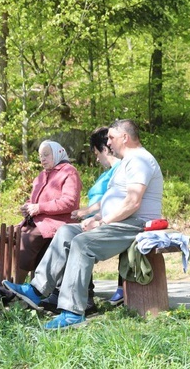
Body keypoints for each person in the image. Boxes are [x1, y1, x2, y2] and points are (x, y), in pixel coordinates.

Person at [4, 119, 163, 329]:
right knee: (66, 232)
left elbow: (133, 202)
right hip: (118, 221)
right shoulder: (127, 162)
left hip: (134, 223)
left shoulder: (140, 160)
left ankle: (72, 312)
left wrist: (102, 221)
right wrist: (96, 217)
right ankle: (36, 290)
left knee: (82, 244)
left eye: (112, 138)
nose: (109, 142)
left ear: (125, 137)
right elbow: (115, 198)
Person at [16, 140, 82, 283]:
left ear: (58, 153)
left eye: (46, 155)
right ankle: (2, 282)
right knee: (11, 237)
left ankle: (14, 287)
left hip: (56, 222)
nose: (42, 159)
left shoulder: (69, 172)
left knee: (26, 242)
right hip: (37, 221)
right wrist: (28, 206)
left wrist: (39, 208)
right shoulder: (41, 175)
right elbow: (34, 200)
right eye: (40, 156)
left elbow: (69, 202)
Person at [71, 127, 123, 306]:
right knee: (67, 235)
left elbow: (112, 200)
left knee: (78, 241)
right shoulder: (108, 172)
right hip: (96, 219)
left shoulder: (119, 170)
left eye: (95, 152)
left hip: (108, 223)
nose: (96, 157)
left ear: (105, 148)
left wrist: (89, 214)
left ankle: (83, 296)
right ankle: (80, 293)